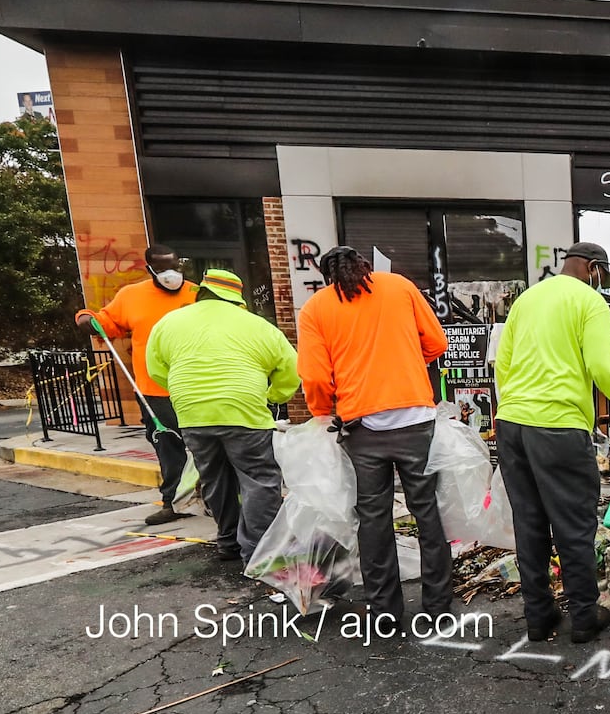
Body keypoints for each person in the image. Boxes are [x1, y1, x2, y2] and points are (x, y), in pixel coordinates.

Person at [493, 242, 610, 644]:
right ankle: (584, 617)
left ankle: (538, 617)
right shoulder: (589, 301)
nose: (604, 285)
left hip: (512, 424)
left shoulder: (527, 299)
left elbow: (503, 363)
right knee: (573, 524)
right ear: (593, 268)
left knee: (529, 523)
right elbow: (604, 367)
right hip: (559, 426)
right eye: (604, 277)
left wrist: (513, 409)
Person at [297, 245, 456, 634]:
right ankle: (438, 606)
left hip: (362, 426)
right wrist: (403, 360)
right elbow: (437, 343)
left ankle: (385, 610)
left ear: (327, 274)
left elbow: (316, 377)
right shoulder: (399, 287)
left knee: (373, 517)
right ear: (365, 266)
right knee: (427, 512)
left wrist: (322, 412)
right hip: (416, 418)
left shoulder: (317, 307)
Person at [145, 270, 298, 564]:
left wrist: (187, 393)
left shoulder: (168, 323)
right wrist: (275, 396)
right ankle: (258, 553)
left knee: (214, 477)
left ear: (201, 292)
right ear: (237, 298)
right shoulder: (259, 326)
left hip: (193, 414)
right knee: (259, 480)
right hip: (245, 413)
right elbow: (290, 369)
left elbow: (156, 369)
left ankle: (227, 541)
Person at [74, 244, 197, 525]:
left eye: (175, 266)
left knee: (207, 444)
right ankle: (174, 501)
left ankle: (215, 497)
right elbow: (108, 323)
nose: (171, 273)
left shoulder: (195, 293)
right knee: (167, 445)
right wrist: (86, 318)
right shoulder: (131, 296)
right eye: (163, 268)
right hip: (154, 389)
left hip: (196, 386)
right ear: (150, 269)